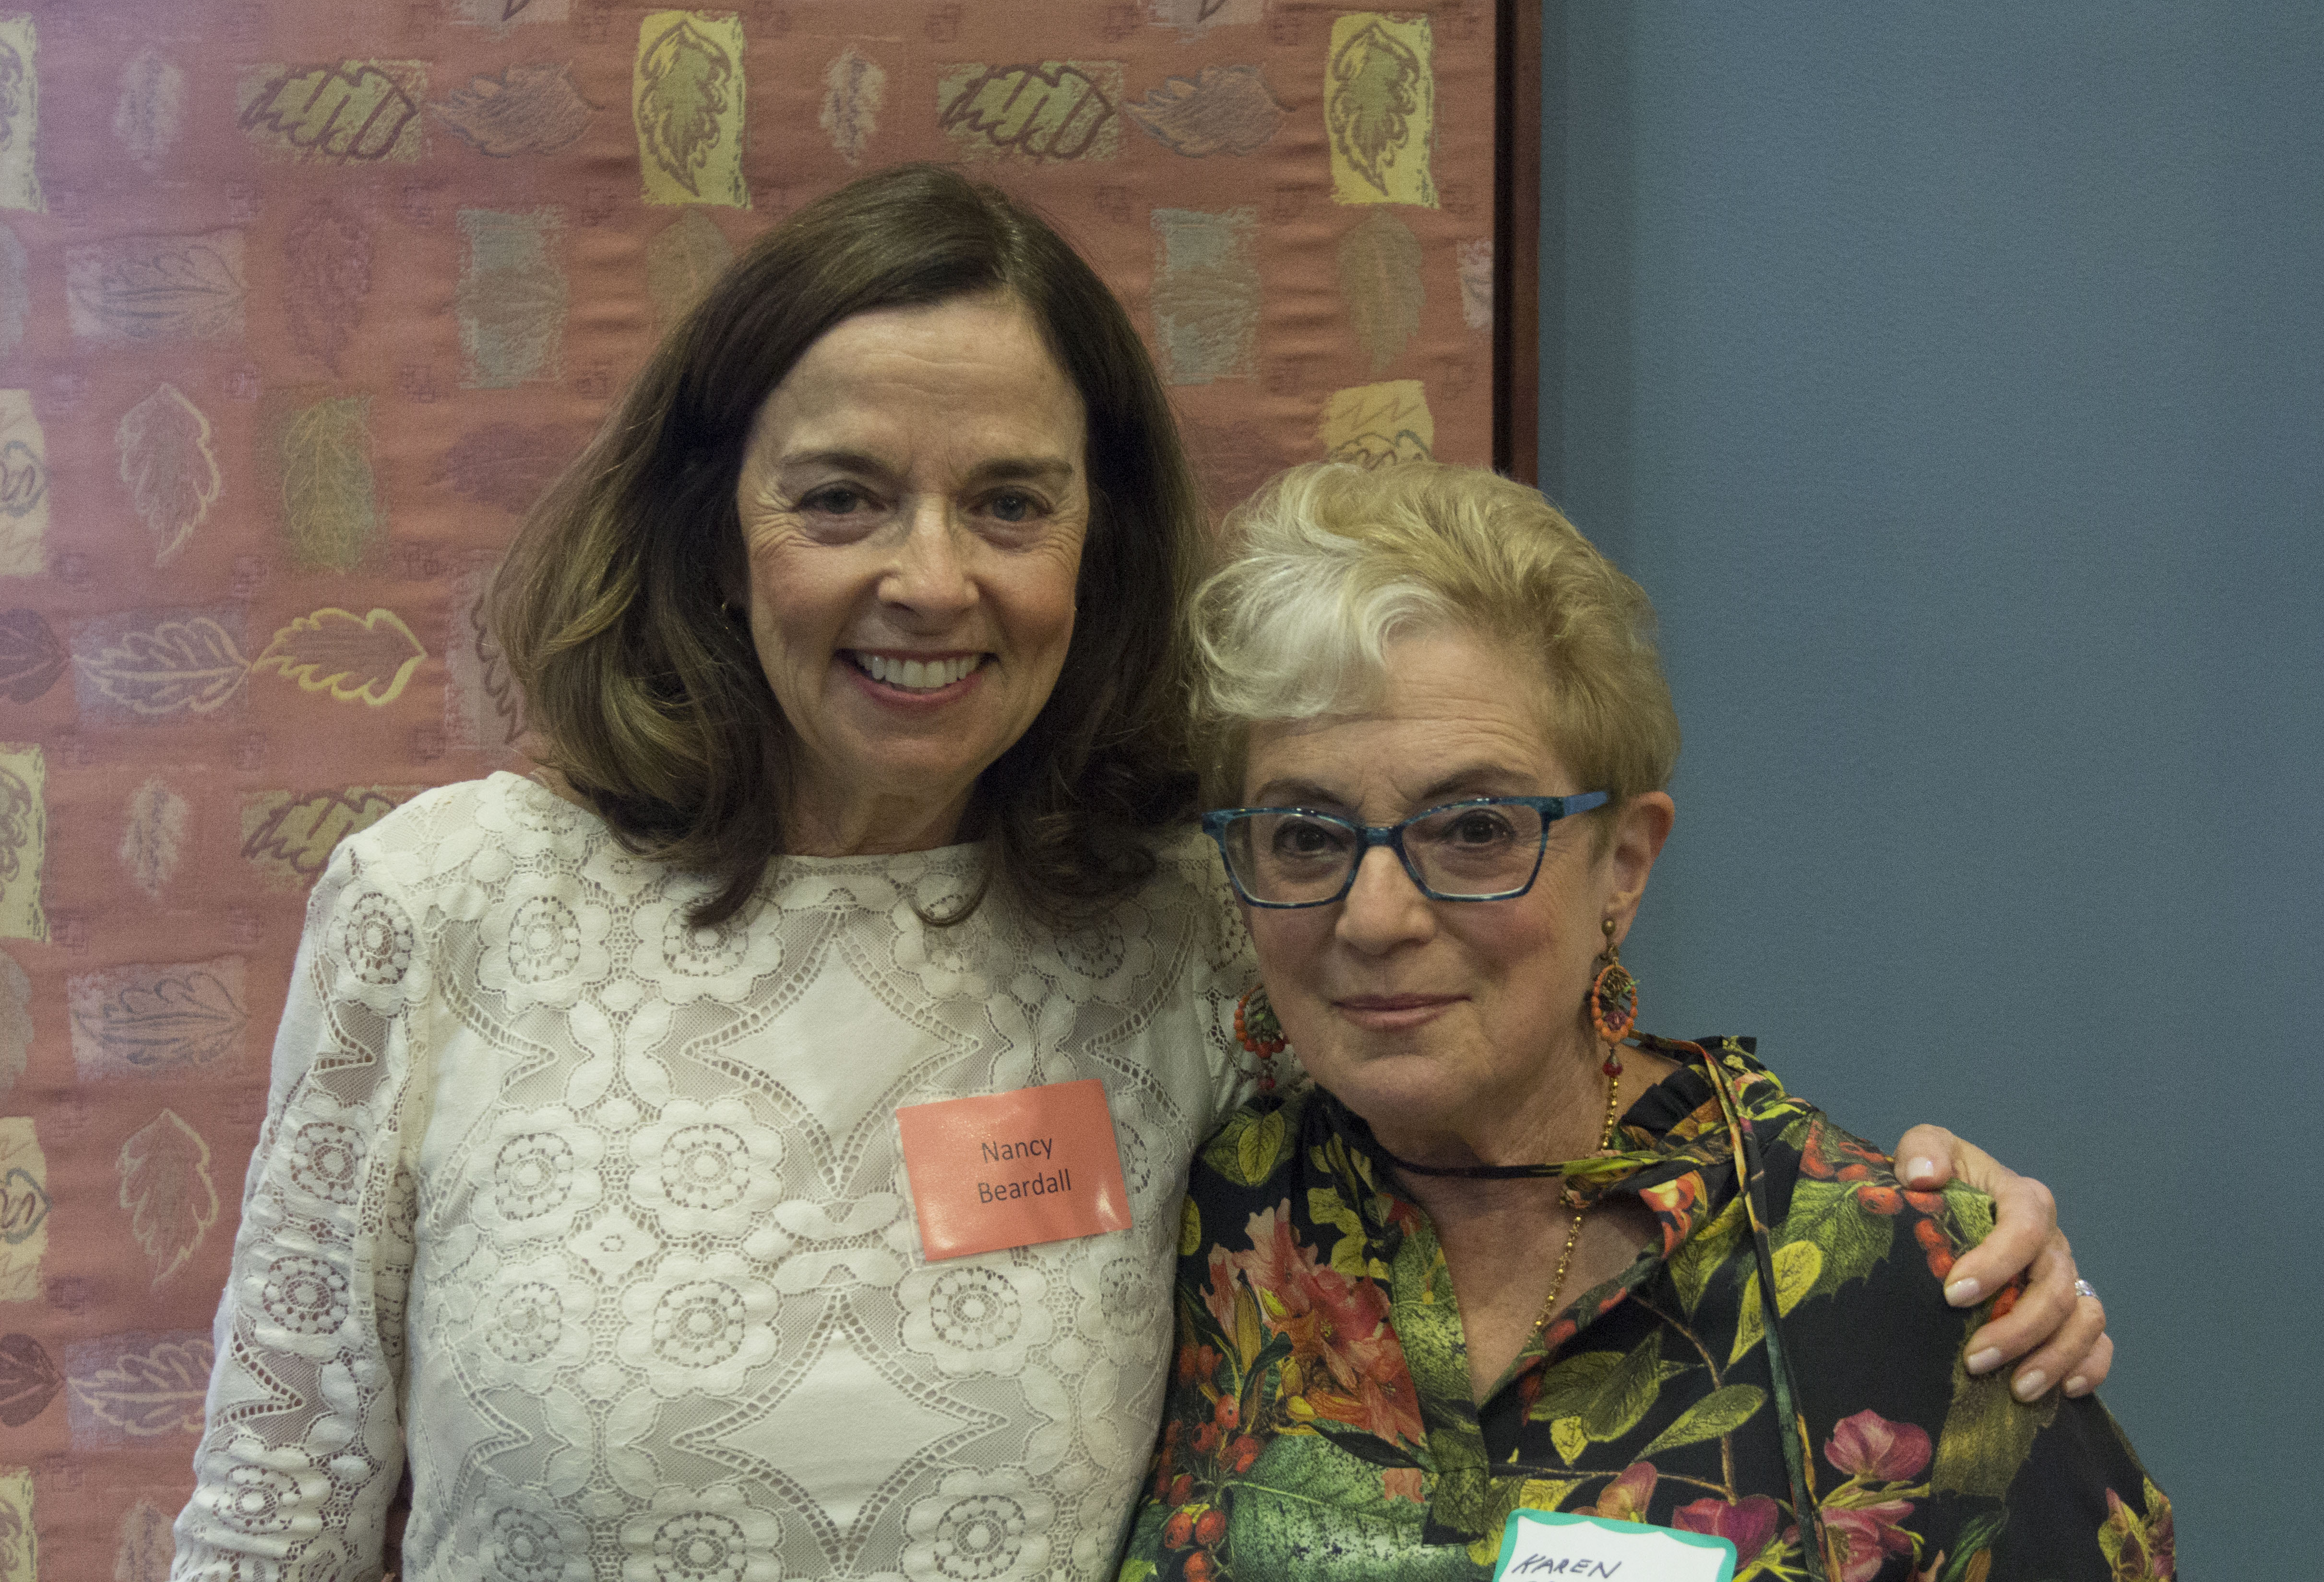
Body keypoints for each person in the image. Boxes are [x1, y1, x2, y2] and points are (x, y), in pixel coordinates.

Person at [170, 167, 2106, 1582]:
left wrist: (1922, 1229)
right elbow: (268, 1532)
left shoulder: (1172, 926)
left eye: (1007, 502)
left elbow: (1492, 1066)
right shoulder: (446, 909)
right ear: (715, 520)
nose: (928, 579)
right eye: (841, 493)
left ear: (1092, 543)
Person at [1118, 461, 2161, 1582]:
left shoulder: (1885, 1276)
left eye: (1474, 829)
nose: (1374, 916)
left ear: (1622, 864)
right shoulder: (1200, 1219)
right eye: (1307, 835)